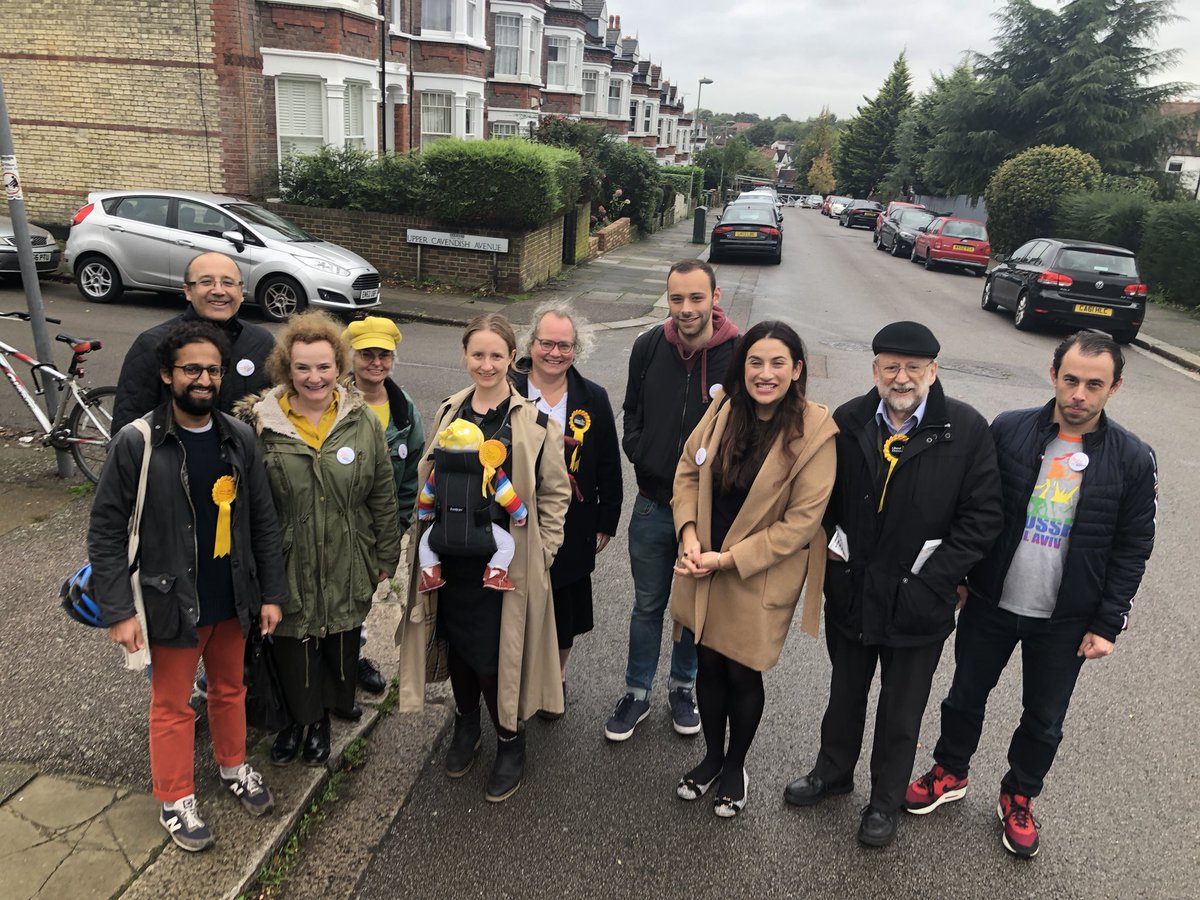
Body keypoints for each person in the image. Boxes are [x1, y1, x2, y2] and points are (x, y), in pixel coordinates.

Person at [905, 332, 1157, 858]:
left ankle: (1019, 794)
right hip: (991, 600)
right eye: (1070, 380)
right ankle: (951, 770)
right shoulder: (1010, 430)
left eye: (1094, 384)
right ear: (1053, 375)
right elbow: (974, 509)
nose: (1079, 394)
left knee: (1044, 718)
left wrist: (1108, 622)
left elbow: (1134, 546)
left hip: (1067, 618)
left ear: (1115, 387)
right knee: (964, 697)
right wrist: (960, 576)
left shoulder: (1133, 459)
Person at [783, 321, 1003, 849]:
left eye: (912, 368)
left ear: (933, 369)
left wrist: (936, 582)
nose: (900, 378)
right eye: (890, 367)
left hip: (919, 604)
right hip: (855, 593)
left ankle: (884, 803)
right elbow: (823, 502)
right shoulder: (850, 419)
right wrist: (835, 564)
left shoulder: (967, 430)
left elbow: (983, 519)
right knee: (845, 695)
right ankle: (832, 773)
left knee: (901, 711)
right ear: (875, 369)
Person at [88, 321, 288, 852]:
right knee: (172, 704)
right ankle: (176, 799)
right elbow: (106, 530)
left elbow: (261, 521)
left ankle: (233, 766)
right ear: (166, 374)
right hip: (171, 598)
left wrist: (271, 594)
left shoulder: (238, 436)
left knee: (230, 690)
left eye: (213, 370)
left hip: (232, 595)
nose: (204, 379)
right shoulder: (138, 442)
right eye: (192, 369)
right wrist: (117, 611)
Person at [395, 313, 571, 802]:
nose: (487, 364)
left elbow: (556, 495)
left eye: (497, 355)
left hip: (504, 566)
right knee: (458, 648)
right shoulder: (450, 411)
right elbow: (428, 476)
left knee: (497, 656)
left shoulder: (534, 423)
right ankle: (466, 726)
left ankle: (510, 741)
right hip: (451, 561)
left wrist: (545, 552)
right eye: (478, 354)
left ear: (512, 358)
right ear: (465, 357)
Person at [671, 321, 838, 817]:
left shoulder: (815, 433)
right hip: (703, 561)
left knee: (742, 674)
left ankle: (734, 767)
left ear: (797, 369)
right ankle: (712, 758)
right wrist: (688, 535)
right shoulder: (723, 410)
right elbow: (686, 469)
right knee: (708, 665)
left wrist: (726, 559)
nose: (765, 373)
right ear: (742, 368)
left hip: (755, 573)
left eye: (777, 363)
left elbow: (801, 523)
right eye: (755, 362)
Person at [240, 311, 401, 769]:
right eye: (303, 367)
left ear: (340, 368)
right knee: (292, 643)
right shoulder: (262, 424)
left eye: (324, 366)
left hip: (349, 550)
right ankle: (295, 720)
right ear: (286, 369)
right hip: (288, 554)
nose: (314, 377)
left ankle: (321, 720)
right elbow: (252, 505)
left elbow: (382, 491)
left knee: (340, 639)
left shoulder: (361, 420)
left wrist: (386, 551)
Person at [606, 258, 739, 742]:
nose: (686, 309)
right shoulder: (647, 347)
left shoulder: (739, 354)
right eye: (677, 298)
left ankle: (683, 688)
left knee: (691, 607)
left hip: (708, 514)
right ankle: (636, 693)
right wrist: (640, 452)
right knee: (647, 605)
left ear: (715, 298)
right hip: (651, 504)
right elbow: (632, 410)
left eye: (696, 298)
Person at [511, 301, 622, 714]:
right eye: (547, 343)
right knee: (515, 597)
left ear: (577, 348)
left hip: (574, 520)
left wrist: (606, 520)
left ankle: (555, 679)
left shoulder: (593, 396)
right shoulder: (508, 387)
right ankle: (517, 674)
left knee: (564, 604)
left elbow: (609, 462)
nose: (555, 353)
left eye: (565, 345)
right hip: (513, 515)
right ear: (531, 344)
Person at [341, 317, 425, 708]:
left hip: (375, 530)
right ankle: (326, 673)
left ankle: (350, 660)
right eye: (367, 355)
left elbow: (411, 479)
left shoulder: (404, 410)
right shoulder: (332, 400)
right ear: (351, 357)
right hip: (335, 523)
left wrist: (397, 531)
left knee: (362, 597)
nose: (376, 363)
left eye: (384, 355)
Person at [111, 251, 274, 433]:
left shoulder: (262, 342)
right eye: (206, 282)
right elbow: (128, 426)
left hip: (244, 459)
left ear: (241, 291)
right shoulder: (152, 344)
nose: (219, 291)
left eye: (228, 282)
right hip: (177, 459)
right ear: (188, 291)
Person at [416, 417, 528, 593]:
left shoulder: (437, 470)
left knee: (424, 544)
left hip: (443, 529)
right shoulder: (489, 470)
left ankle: (430, 574)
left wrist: (425, 512)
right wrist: (520, 514)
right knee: (507, 544)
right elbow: (507, 495)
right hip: (481, 530)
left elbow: (426, 495)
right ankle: (494, 574)